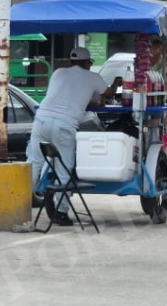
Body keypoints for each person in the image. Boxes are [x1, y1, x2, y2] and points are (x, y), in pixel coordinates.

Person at [27, 47, 121, 226]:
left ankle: (21, 206)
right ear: (86, 62)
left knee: (34, 163)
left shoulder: (58, 73)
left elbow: (66, 95)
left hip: (41, 120)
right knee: (64, 169)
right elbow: (108, 94)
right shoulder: (93, 77)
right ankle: (61, 212)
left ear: (71, 61)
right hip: (65, 124)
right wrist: (116, 82)